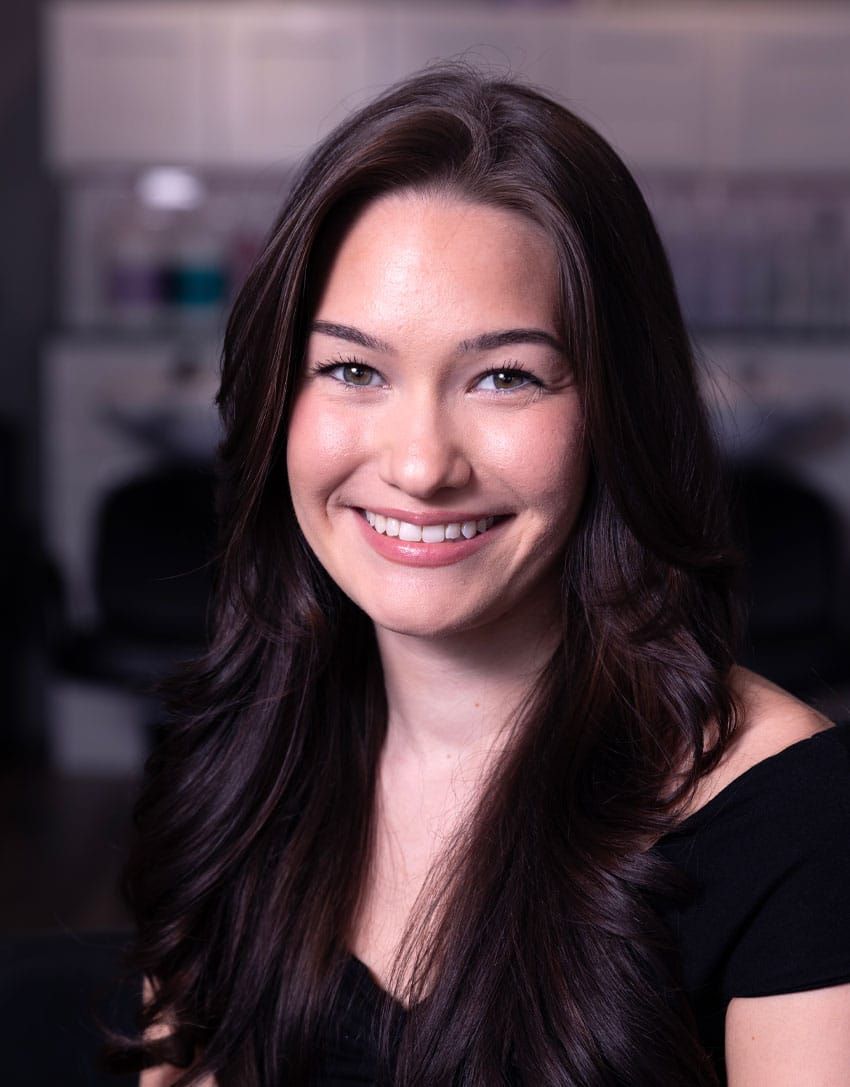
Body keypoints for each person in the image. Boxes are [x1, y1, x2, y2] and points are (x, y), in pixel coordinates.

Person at [111, 67, 850, 1086]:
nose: (420, 465)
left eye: (504, 375)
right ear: (279, 394)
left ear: (613, 409)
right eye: (353, 369)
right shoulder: (238, 751)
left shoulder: (789, 812)